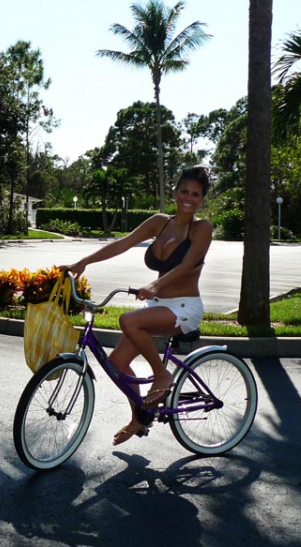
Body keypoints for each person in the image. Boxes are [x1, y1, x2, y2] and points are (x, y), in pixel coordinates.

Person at [61, 166, 213, 446]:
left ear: (201, 199)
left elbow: (188, 264)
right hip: (159, 305)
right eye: (184, 191)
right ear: (175, 191)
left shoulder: (202, 228)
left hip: (184, 307)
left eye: (195, 194)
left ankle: (161, 375)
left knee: (129, 320)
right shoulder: (159, 222)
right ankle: (140, 418)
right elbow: (123, 243)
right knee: (117, 362)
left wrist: (155, 285)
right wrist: (83, 262)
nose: (188, 198)